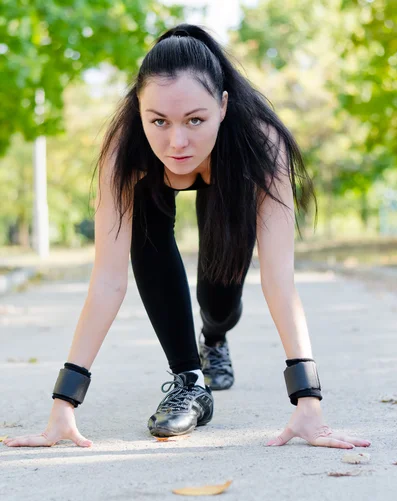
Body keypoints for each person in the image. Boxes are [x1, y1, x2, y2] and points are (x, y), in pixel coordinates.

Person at [3, 24, 370, 450]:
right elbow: (107, 280)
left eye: (195, 120)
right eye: (157, 120)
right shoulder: (125, 151)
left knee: (219, 298)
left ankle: (213, 337)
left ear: (223, 105)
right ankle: (190, 380)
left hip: (229, 182)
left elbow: (279, 279)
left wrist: (309, 402)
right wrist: (63, 404)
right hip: (150, 195)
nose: (177, 142)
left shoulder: (261, 145)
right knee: (146, 229)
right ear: (138, 110)